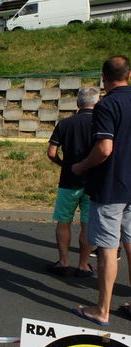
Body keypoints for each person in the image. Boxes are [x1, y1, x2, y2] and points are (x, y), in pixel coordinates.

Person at [71, 55, 131, 326]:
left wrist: (82, 166)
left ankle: (102, 309)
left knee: (108, 247)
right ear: (128, 75)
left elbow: (104, 149)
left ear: (104, 78)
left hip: (110, 186)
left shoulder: (107, 105)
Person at [46, 87, 99, 278]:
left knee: (64, 221)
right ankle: (83, 265)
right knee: (87, 224)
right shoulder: (102, 123)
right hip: (93, 182)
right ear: (97, 103)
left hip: (68, 180)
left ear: (78, 103)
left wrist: (63, 164)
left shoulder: (65, 124)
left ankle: (64, 262)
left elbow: (51, 153)